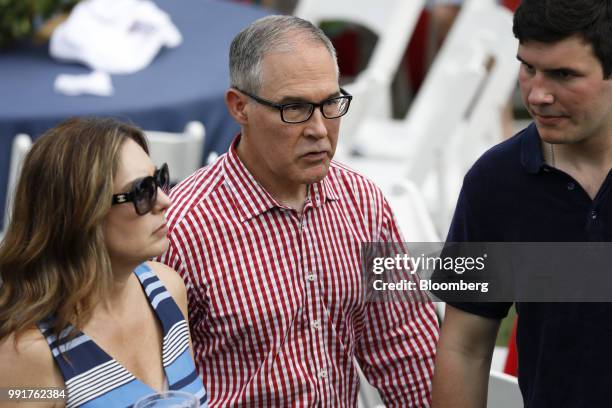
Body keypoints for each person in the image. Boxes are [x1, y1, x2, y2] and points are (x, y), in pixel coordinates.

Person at [158, 15, 439, 407]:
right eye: (295, 109)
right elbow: (149, 385)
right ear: (240, 107)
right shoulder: (181, 230)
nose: (320, 129)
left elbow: (406, 353)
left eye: (330, 104)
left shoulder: (363, 204)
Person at [432, 0, 612, 406]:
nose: (537, 94)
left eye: (564, 74)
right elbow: (465, 347)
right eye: (528, 67)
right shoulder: (495, 182)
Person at [0, 118, 207, 407]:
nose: (164, 200)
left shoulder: (167, 291)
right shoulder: (30, 354)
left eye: (159, 179)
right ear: (82, 213)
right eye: (142, 191)